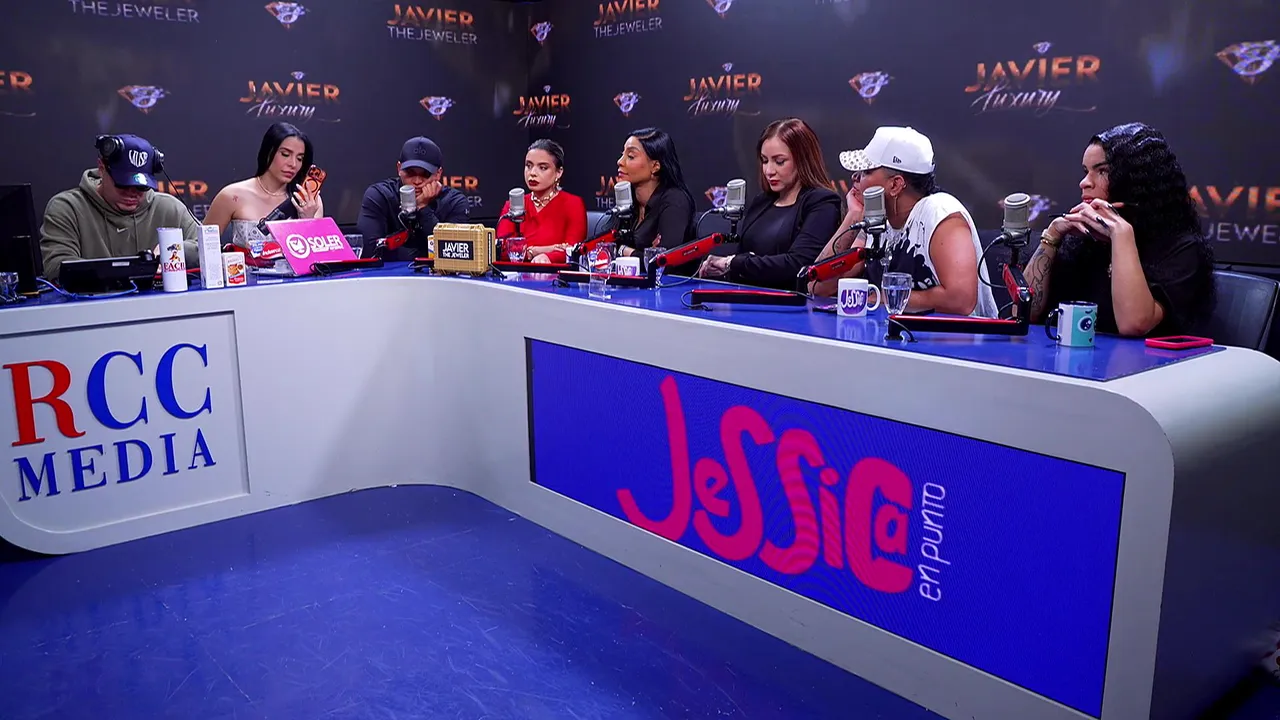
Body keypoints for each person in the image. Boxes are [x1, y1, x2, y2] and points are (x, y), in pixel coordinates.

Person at [1024, 122, 1215, 337]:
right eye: (1086, 171)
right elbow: (1023, 313)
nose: (1084, 183)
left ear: (1136, 181)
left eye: (1102, 171)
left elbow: (1134, 325)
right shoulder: (1080, 239)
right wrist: (1051, 236)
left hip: (1145, 358)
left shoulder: (1182, 248)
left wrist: (1121, 235)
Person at [809, 126, 997, 318]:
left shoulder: (940, 214)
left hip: (955, 336)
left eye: (866, 171)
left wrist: (878, 299)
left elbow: (960, 301)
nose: (855, 177)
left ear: (895, 184)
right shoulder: (875, 220)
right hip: (892, 333)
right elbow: (817, 285)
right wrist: (853, 217)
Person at [697, 118, 841, 289]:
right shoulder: (762, 202)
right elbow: (743, 257)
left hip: (789, 302)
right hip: (744, 296)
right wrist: (724, 268)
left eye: (779, 162)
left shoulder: (822, 203)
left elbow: (798, 264)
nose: (769, 171)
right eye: (765, 161)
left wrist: (733, 263)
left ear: (803, 159)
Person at [40, 133, 199, 281]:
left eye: (141, 187)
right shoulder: (68, 208)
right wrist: (122, 273)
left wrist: (173, 250)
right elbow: (55, 266)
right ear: (102, 168)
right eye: (123, 185)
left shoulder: (170, 208)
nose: (132, 193)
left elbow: (206, 247)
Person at [204, 122, 323, 255]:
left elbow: (317, 257)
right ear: (268, 152)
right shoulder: (231, 196)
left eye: (300, 158)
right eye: (285, 154)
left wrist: (307, 220)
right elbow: (202, 249)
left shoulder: (310, 201)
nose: (293, 164)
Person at [357, 136, 470, 261]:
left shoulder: (454, 202)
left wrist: (423, 208)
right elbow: (370, 253)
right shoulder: (380, 195)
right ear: (399, 169)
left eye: (425, 174)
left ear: (438, 174)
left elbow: (454, 255)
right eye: (410, 173)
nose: (417, 181)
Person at [496, 139, 587, 263]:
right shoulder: (513, 205)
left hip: (554, 273)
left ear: (558, 172)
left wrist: (548, 257)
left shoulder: (573, 204)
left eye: (542, 168)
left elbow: (573, 250)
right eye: (528, 166)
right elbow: (501, 251)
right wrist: (537, 251)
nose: (532, 173)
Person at [614, 127, 696, 262]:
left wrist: (624, 250)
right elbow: (608, 249)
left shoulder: (675, 201)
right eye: (622, 154)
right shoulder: (629, 203)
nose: (620, 162)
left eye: (631, 156)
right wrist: (643, 255)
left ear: (655, 166)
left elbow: (663, 262)